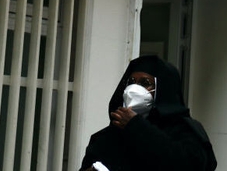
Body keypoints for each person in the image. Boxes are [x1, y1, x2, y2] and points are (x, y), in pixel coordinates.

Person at [79, 55, 217, 171]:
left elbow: (188, 165)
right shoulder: (106, 137)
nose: (134, 88)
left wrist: (136, 126)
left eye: (145, 83)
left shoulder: (185, 131)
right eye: (131, 81)